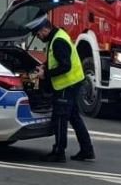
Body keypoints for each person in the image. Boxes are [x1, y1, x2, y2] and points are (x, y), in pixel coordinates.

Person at [25, 15, 96, 163]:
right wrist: (44, 65)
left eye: (38, 34)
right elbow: (56, 59)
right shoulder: (57, 36)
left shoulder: (58, 41)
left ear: (45, 29)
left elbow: (65, 66)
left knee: (60, 118)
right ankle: (87, 150)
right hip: (73, 83)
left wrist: (46, 74)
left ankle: (59, 152)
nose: (38, 37)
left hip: (66, 85)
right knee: (74, 117)